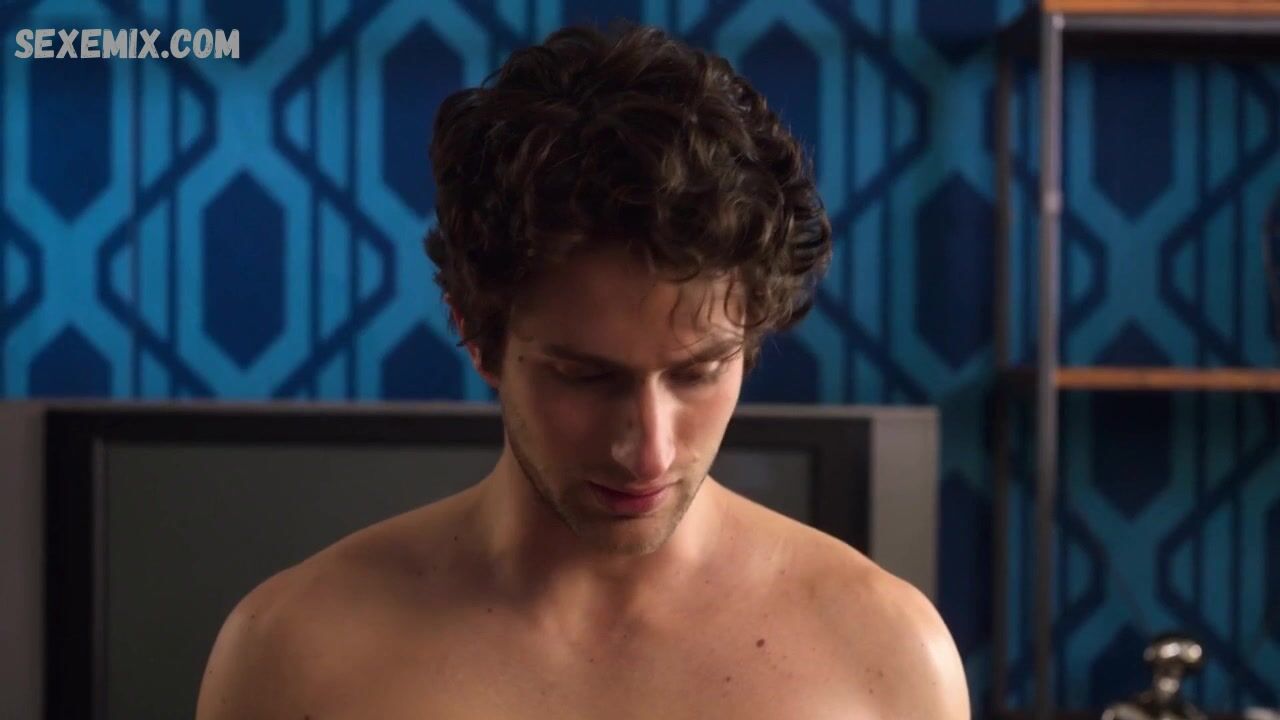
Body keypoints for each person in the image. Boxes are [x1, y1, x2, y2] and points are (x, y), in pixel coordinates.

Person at [196, 21, 968, 719]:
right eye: (585, 376)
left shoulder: (886, 653)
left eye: (698, 373)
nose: (648, 451)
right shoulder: (294, 653)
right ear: (475, 336)